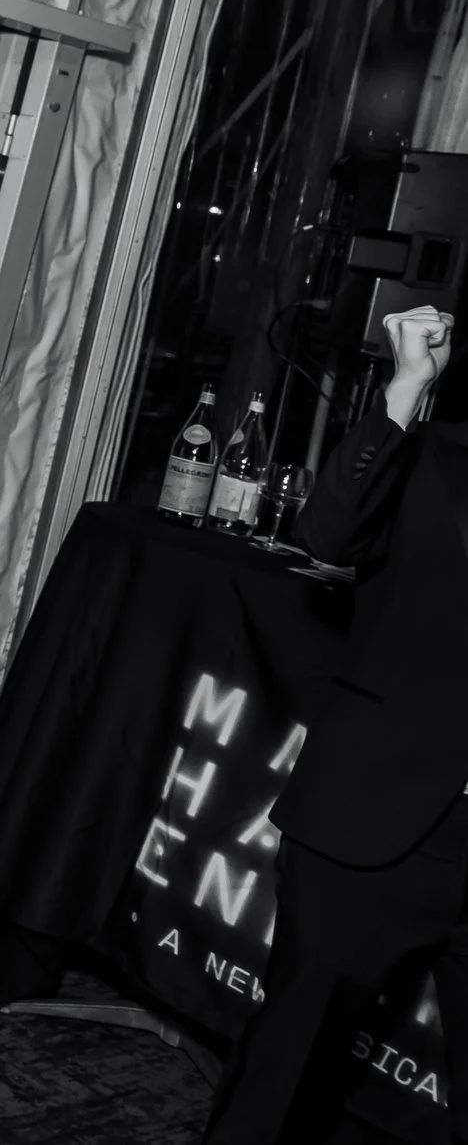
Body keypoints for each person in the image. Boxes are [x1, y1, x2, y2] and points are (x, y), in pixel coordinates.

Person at [205, 306, 462, 1144]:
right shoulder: (429, 456)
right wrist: (407, 388)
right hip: (378, 829)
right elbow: (327, 535)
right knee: (284, 1087)